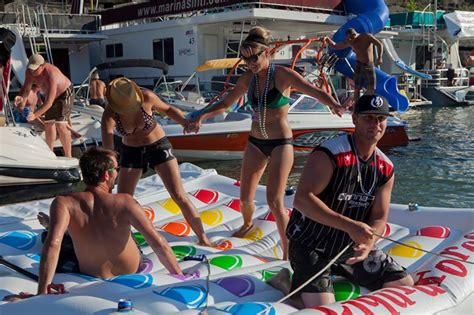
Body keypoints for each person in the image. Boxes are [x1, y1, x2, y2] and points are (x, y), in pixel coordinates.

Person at [186, 26, 346, 260]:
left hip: (281, 143)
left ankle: (287, 249)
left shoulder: (283, 75)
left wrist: (333, 104)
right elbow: (226, 104)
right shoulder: (247, 78)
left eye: (254, 57)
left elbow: (313, 91)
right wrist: (201, 116)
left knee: (274, 200)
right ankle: (248, 223)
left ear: (267, 53)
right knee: (244, 197)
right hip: (255, 143)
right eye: (246, 59)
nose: (250, 62)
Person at [270, 95, 413, 309]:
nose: (375, 124)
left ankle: (336, 269)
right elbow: (302, 199)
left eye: (380, 118)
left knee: (403, 283)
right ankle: (285, 282)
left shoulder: (385, 168)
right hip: (311, 243)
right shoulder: (330, 153)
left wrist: (368, 243)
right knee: (321, 306)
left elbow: (379, 217)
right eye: (368, 118)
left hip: (348, 246)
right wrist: (350, 226)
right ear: (354, 119)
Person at [3, 147, 182, 302]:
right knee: (128, 234)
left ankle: (54, 227)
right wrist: (181, 277)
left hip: (91, 271)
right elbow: (158, 242)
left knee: (53, 238)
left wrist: (41, 293)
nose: (117, 172)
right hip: (131, 269)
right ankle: (57, 228)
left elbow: (52, 245)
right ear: (106, 175)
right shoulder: (125, 202)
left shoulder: (64, 202)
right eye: (116, 169)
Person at [101, 77, 213, 247]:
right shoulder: (109, 114)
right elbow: (108, 149)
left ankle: (203, 238)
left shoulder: (146, 97)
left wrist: (184, 122)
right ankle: (123, 240)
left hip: (158, 146)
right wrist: (110, 170)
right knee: (123, 200)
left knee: (178, 194)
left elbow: (168, 109)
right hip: (131, 152)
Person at [14, 54, 75, 157]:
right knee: (48, 124)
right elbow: (26, 88)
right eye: (31, 68)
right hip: (50, 96)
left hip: (65, 93)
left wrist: (35, 115)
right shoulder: (29, 72)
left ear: (43, 65)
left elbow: (49, 102)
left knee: (60, 124)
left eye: (35, 69)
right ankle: (50, 154)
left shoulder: (52, 74)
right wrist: (20, 98)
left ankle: (68, 156)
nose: (33, 71)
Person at [325, 28, 384, 101]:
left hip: (369, 64)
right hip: (359, 65)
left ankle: (369, 103)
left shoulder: (366, 36)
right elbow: (336, 46)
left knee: (371, 86)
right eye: (348, 39)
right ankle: (357, 106)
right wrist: (327, 39)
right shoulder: (349, 41)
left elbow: (379, 44)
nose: (350, 41)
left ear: (354, 35)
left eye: (351, 39)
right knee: (357, 88)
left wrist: (380, 57)